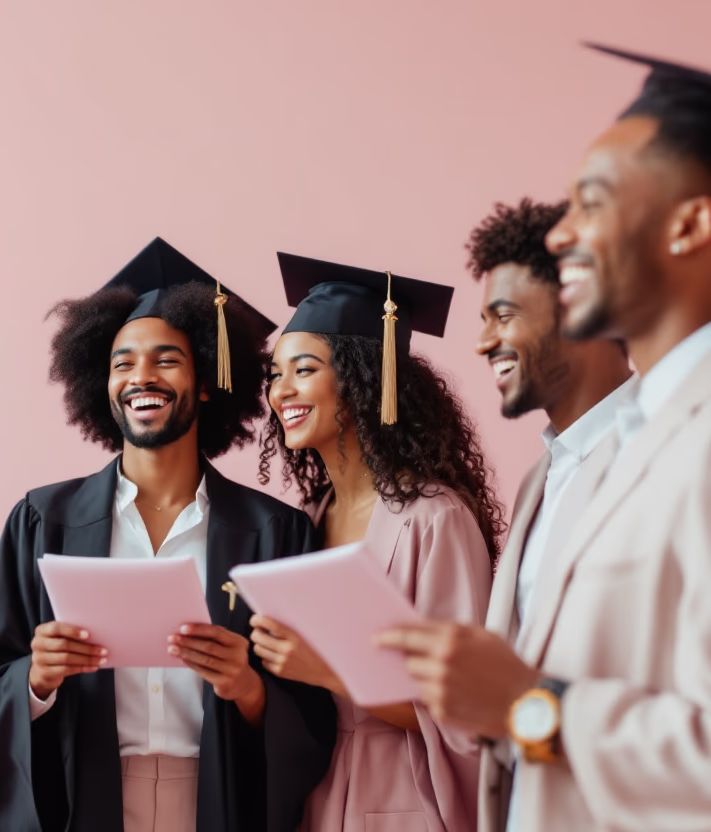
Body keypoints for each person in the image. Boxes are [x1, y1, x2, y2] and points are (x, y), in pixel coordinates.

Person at [378, 44, 711, 830]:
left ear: (691, 221)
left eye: (592, 202)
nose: (562, 238)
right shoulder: (608, 452)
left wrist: (531, 706)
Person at [0, 238, 338, 832]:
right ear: (100, 386)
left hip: (215, 801)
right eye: (122, 363)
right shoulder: (43, 520)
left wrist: (249, 690)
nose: (141, 377)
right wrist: (37, 677)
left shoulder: (272, 532)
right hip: (90, 802)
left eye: (166, 359)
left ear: (206, 381)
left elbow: (317, 710)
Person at [252, 253, 500, 832]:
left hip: (405, 795)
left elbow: (467, 708)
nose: (280, 391)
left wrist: (331, 671)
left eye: (304, 370)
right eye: (274, 375)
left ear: (365, 377)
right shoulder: (307, 519)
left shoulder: (434, 520)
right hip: (316, 790)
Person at [466, 197, 633, 830]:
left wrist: (518, 704)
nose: (484, 342)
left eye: (502, 315)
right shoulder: (540, 479)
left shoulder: (674, 458)